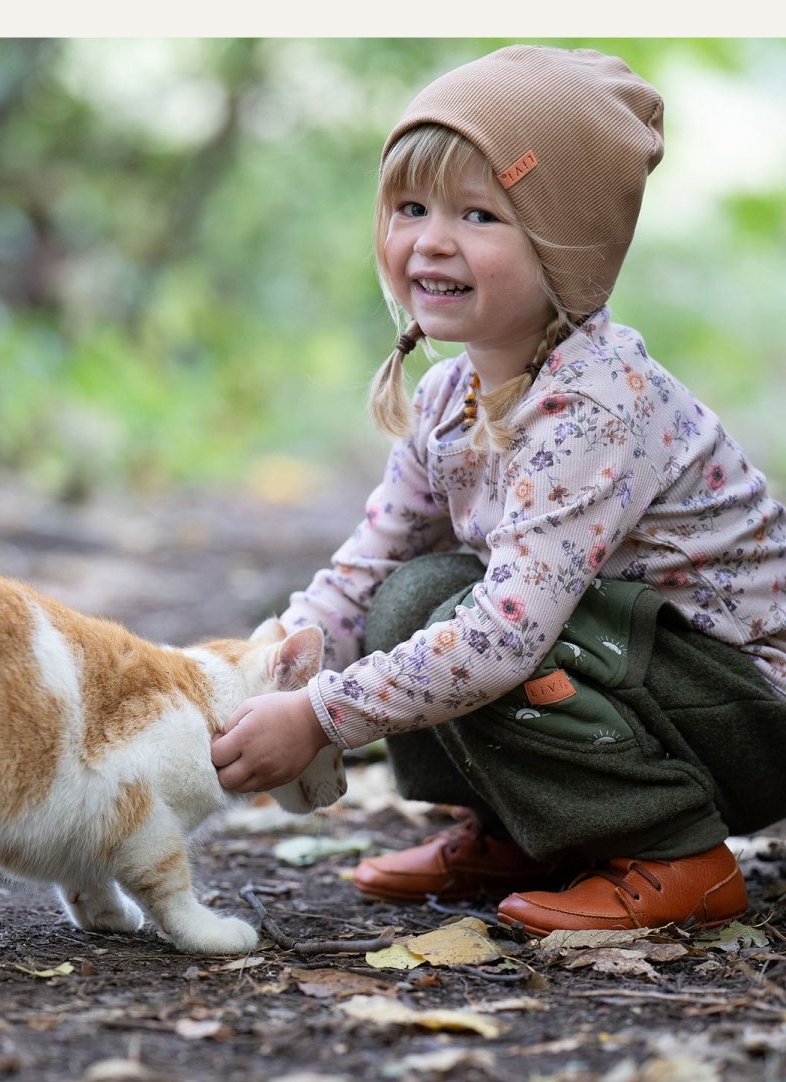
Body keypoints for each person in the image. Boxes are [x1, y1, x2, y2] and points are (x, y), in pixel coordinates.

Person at [210, 44, 786, 935]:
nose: (431, 240)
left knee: (472, 625)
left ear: (566, 248)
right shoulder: (452, 396)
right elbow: (375, 558)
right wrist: (274, 661)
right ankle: (532, 831)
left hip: (742, 715)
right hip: (645, 681)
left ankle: (675, 852)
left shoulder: (593, 407)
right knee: (412, 594)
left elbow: (505, 639)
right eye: (410, 207)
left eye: (480, 214)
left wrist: (322, 718)